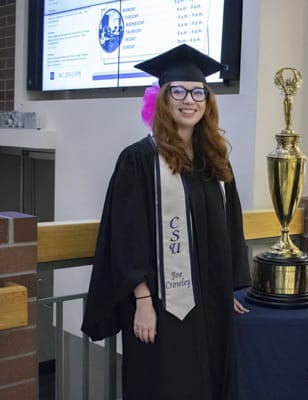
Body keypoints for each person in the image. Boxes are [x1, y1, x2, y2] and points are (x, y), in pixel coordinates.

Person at [81, 44, 251, 400]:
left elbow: (230, 228)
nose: (189, 100)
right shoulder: (139, 160)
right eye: (178, 91)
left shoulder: (215, 161)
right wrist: (142, 301)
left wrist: (228, 285)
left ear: (207, 101)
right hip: (162, 306)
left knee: (211, 379)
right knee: (165, 385)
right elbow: (127, 237)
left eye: (197, 92)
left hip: (211, 306)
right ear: (163, 99)